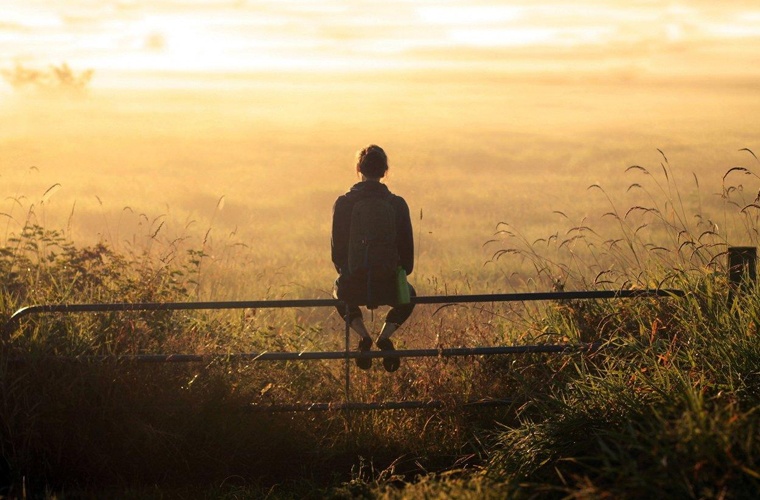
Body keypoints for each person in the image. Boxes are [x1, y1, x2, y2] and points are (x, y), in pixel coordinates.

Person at [331, 145, 415, 372]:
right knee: (410, 296)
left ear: (359, 169)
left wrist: (352, 273)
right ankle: (384, 337)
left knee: (338, 292)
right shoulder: (397, 204)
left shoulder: (344, 203)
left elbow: (337, 254)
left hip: (354, 285)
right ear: (385, 171)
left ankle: (363, 336)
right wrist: (393, 272)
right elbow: (408, 260)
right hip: (389, 285)